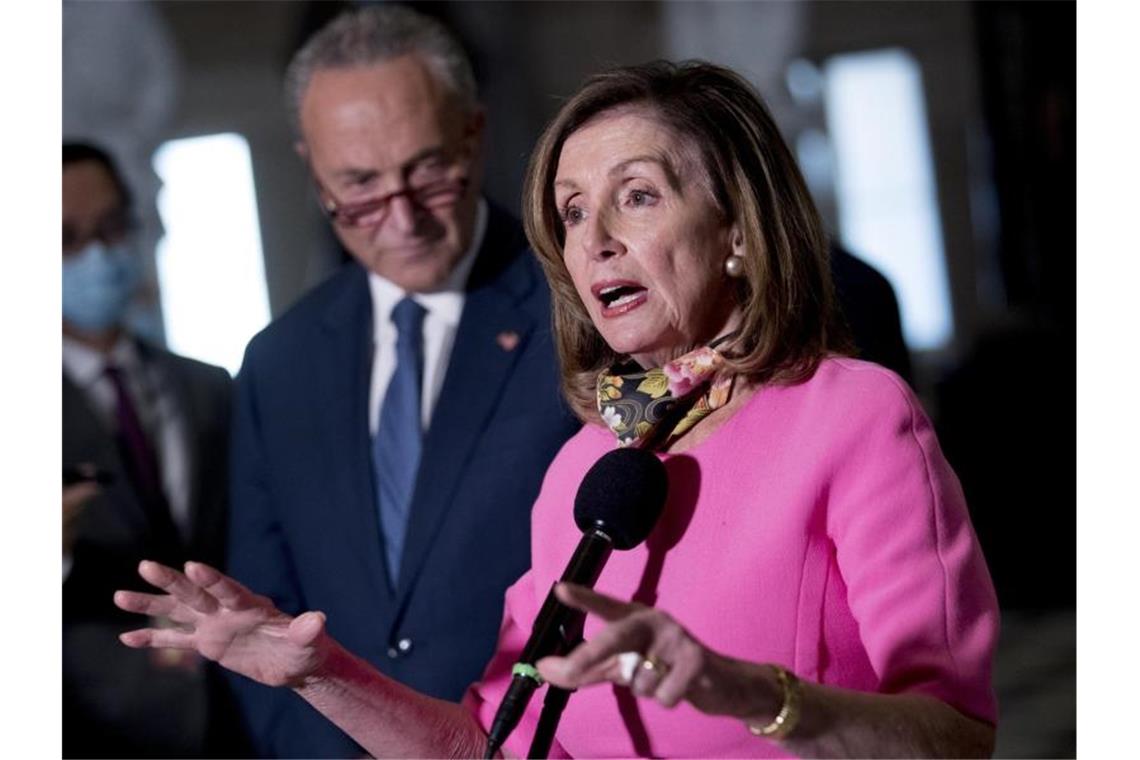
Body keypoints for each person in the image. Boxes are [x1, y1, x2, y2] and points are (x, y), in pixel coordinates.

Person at [115, 60, 999, 758]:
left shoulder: (852, 414)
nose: (595, 237)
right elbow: (489, 746)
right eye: (572, 212)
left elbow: (956, 740)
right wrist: (318, 674)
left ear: (737, 228)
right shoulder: (585, 468)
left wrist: (748, 695)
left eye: (639, 195)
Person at [223, 6, 580, 756]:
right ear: (311, 168)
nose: (402, 218)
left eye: (425, 172)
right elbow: (267, 607)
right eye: (358, 185)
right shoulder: (278, 363)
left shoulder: (579, 310)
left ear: (474, 135)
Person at [62, 142, 246, 757]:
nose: (99, 255)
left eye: (112, 227)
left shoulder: (207, 386)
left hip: (241, 709)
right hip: (95, 721)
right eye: (66, 239)